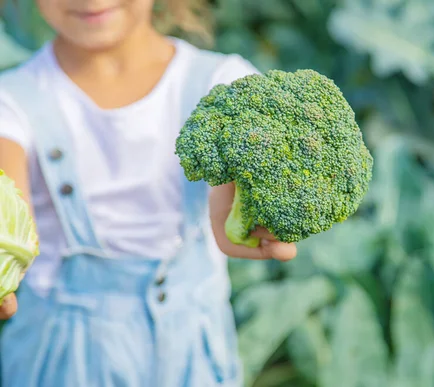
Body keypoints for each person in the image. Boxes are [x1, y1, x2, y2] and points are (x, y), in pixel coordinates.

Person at [0, 0, 297, 386]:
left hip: (194, 355)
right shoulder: (12, 101)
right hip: (58, 359)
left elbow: (269, 166)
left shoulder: (222, 82)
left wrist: (254, 209)